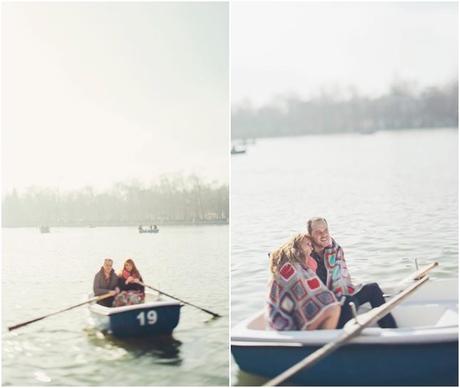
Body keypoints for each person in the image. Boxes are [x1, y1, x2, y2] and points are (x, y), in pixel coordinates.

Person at [307, 217, 397, 329]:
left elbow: (342, 278)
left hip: (341, 296)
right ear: (310, 235)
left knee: (373, 289)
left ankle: (391, 332)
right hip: (325, 306)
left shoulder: (335, 249)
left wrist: (346, 290)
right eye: (318, 232)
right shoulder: (306, 255)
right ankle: (341, 337)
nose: (324, 234)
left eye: (326, 230)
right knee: (350, 301)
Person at [267, 233, 341, 331]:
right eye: (308, 244)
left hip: (282, 319)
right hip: (288, 325)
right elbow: (306, 296)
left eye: (311, 245)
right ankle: (320, 343)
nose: (311, 249)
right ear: (296, 247)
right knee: (334, 309)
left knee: (333, 305)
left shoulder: (288, 265)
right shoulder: (292, 269)